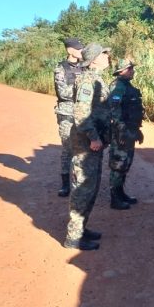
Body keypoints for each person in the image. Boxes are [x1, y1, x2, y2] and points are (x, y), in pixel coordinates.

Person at [64, 43, 111, 251]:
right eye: (104, 53)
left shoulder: (97, 78)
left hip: (95, 143)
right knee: (82, 189)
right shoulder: (86, 79)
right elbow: (81, 113)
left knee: (91, 187)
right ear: (94, 59)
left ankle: (82, 229)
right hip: (86, 145)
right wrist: (93, 137)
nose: (108, 55)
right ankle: (73, 238)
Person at [108, 58, 144, 209]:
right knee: (118, 165)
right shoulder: (118, 87)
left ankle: (121, 193)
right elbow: (114, 110)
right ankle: (114, 199)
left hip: (130, 131)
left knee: (125, 164)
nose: (133, 71)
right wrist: (121, 131)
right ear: (122, 71)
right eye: (130, 69)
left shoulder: (127, 86)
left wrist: (137, 131)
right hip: (121, 133)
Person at [53, 37, 84, 197]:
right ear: (70, 50)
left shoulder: (84, 68)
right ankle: (65, 184)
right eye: (79, 49)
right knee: (68, 148)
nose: (81, 51)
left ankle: (78, 180)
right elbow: (63, 93)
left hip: (82, 113)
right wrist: (82, 89)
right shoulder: (61, 69)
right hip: (66, 113)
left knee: (82, 148)